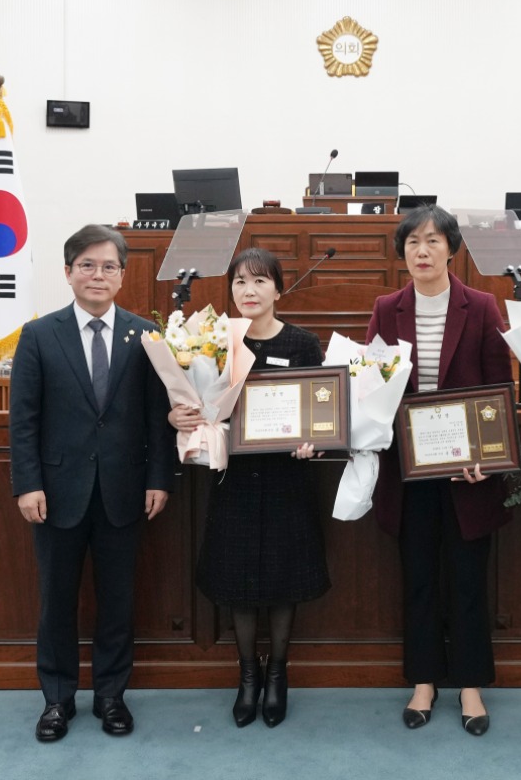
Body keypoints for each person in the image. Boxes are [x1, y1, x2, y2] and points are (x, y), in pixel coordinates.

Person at [9, 224, 174, 742]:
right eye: (87, 265)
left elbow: (157, 416)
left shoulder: (145, 334)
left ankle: (110, 696)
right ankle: (57, 700)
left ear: (122, 276)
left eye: (108, 266)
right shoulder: (39, 334)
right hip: (56, 493)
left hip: (125, 491)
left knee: (117, 600)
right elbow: (24, 420)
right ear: (67, 273)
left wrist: (159, 479)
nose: (97, 275)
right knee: (56, 599)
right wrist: (27, 484)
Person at [365, 205, 513, 737]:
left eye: (432, 242)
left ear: (452, 248)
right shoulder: (386, 308)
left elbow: (500, 390)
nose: (422, 252)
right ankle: (424, 680)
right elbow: (374, 388)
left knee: (469, 579)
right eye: (412, 244)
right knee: (420, 577)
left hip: (468, 470)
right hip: (409, 470)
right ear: (402, 253)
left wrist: (487, 458)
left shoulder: (482, 306)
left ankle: (471, 684)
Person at [169, 247, 330, 728]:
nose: (249, 291)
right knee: (237, 583)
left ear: (278, 289)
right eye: (240, 282)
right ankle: (247, 676)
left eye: (260, 281)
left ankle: (277, 674)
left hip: (287, 481)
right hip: (234, 478)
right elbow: (195, 402)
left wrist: (313, 443)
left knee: (284, 582)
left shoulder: (302, 343)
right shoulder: (215, 343)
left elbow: (321, 413)